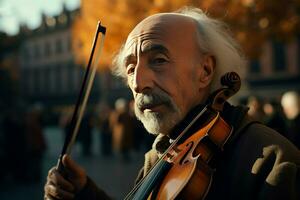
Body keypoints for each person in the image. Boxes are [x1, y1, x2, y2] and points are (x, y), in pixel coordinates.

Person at [44, 7, 300, 200]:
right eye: (131, 68)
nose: (138, 82)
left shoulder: (275, 163)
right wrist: (85, 193)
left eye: (158, 60)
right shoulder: (161, 151)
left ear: (205, 70)